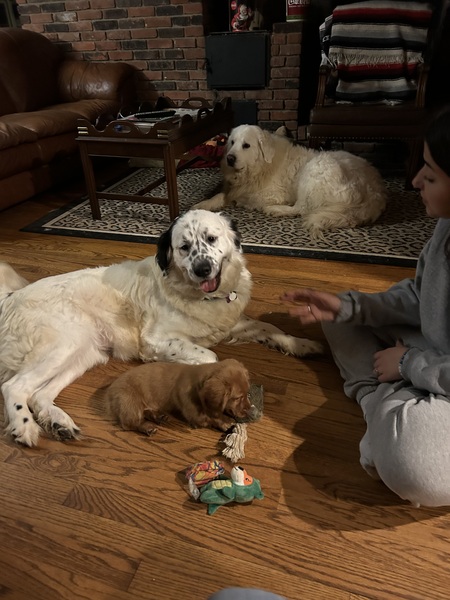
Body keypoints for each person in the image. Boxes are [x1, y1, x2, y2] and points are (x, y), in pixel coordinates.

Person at [281, 106, 450, 508]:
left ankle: (380, 402)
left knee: (418, 469)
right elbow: (420, 296)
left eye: (429, 175)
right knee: (334, 317)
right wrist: (349, 306)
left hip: (431, 368)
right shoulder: (445, 226)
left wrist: (409, 365)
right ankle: (384, 403)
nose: (414, 182)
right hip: (431, 353)